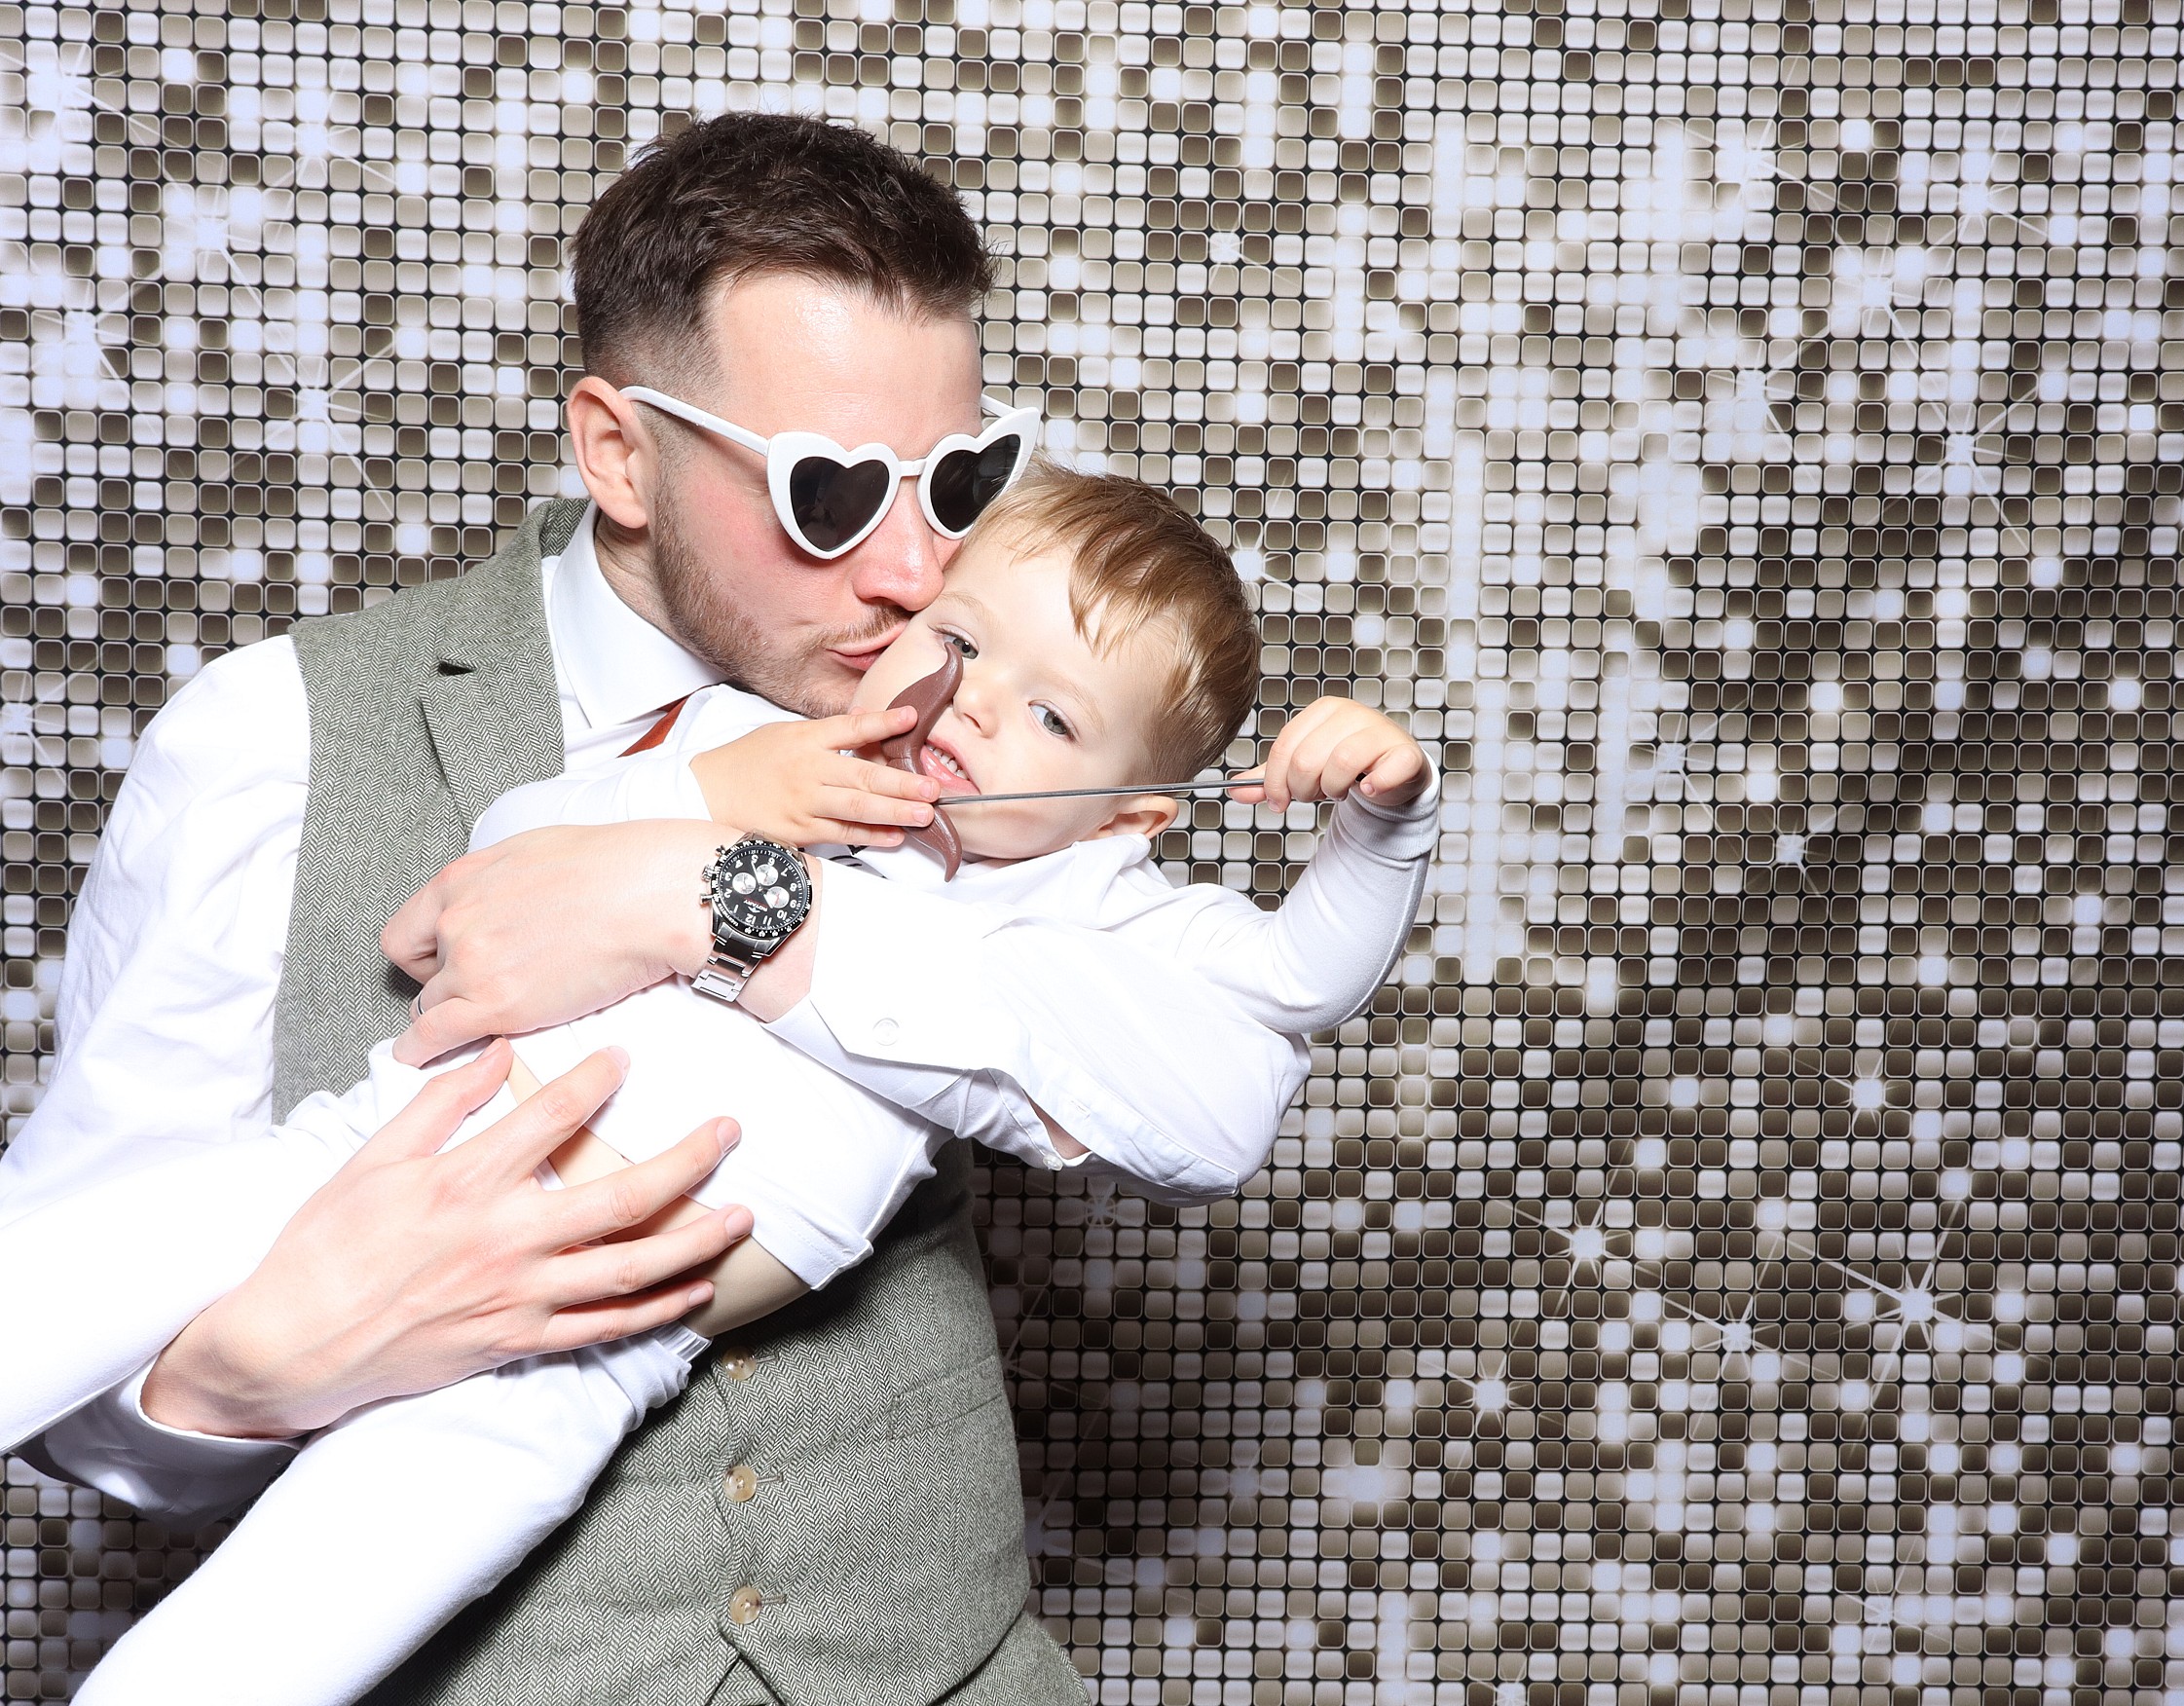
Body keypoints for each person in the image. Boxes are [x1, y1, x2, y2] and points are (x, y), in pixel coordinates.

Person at [0, 117, 1315, 1704]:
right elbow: (68, 1349)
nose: (916, 570)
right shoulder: (269, 745)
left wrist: (703, 896)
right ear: (620, 452)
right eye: (832, 492)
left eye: (960, 482)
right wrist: (246, 1378)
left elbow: (1212, 1093)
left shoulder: (1005, 760)